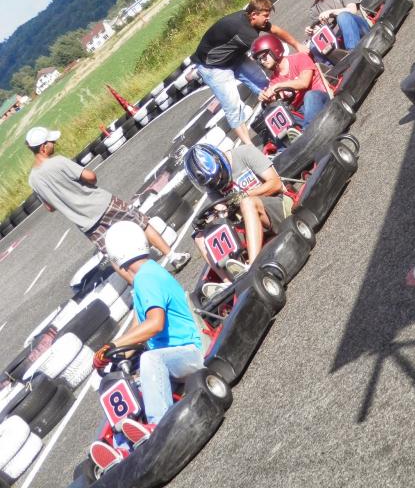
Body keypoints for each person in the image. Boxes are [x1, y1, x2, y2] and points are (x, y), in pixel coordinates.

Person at [90, 221, 204, 471]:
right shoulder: (146, 276)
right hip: (171, 359)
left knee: (150, 360)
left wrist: (112, 344)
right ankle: (121, 448)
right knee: (125, 383)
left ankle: (158, 426)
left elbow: (154, 324)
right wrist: (112, 357)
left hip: (190, 352)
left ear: (117, 259)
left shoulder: (146, 278)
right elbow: (138, 332)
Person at [26, 127, 190, 276]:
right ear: (43, 147)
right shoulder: (58, 162)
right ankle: (173, 257)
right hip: (102, 204)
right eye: (51, 142)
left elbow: (50, 207)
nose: (54, 143)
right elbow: (91, 177)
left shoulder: (33, 180)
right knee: (141, 223)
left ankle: (139, 286)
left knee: (113, 254)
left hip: (86, 222)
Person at [188, 0, 308, 146]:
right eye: (265, 15)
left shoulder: (253, 20)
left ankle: (289, 119)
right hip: (213, 67)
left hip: (234, 56)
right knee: (232, 105)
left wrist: (297, 45)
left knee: (265, 85)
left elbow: (276, 31)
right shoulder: (244, 31)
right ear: (254, 15)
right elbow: (267, 58)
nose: (268, 18)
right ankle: (249, 146)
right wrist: (288, 72)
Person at [184, 143, 293, 293]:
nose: (218, 181)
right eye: (213, 181)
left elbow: (275, 183)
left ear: (218, 159)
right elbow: (223, 214)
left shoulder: (244, 153)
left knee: (246, 203)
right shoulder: (212, 186)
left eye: (219, 176)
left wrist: (244, 196)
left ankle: (252, 267)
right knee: (199, 236)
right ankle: (229, 283)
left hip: (279, 206)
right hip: (250, 222)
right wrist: (210, 218)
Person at [251, 34, 331, 128]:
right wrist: (266, 98)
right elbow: (276, 101)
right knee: (278, 115)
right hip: (301, 112)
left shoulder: (300, 57)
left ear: (275, 50)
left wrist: (278, 86)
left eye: (264, 57)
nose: (262, 62)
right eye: (259, 60)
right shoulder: (273, 81)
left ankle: (307, 132)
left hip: (321, 99)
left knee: (309, 96)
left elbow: (304, 83)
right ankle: (300, 133)